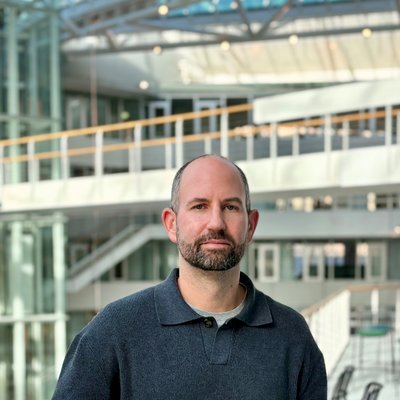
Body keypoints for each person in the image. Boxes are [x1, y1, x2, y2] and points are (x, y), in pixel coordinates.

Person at [52, 154, 327, 399]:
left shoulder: (292, 334)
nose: (216, 223)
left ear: (251, 225)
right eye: (199, 206)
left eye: (230, 207)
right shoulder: (113, 331)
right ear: (171, 224)